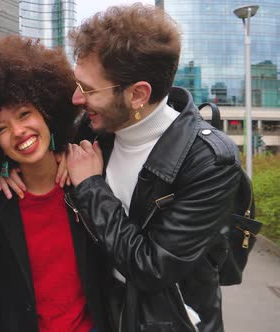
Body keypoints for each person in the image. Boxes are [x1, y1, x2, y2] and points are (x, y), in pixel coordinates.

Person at [64, 4, 242, 332]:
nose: (77, 98)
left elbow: (152, 267)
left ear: (137, 95)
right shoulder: (92, 130)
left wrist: (90, 186)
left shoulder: (209, 161)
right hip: (101, 310)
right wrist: (8, 169)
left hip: (166, 320)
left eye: (88, 89)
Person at [0, 36, 109, 332]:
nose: (19, 131)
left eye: (25, 114)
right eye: (2, 128)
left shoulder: (86, 179)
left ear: (47, 113)